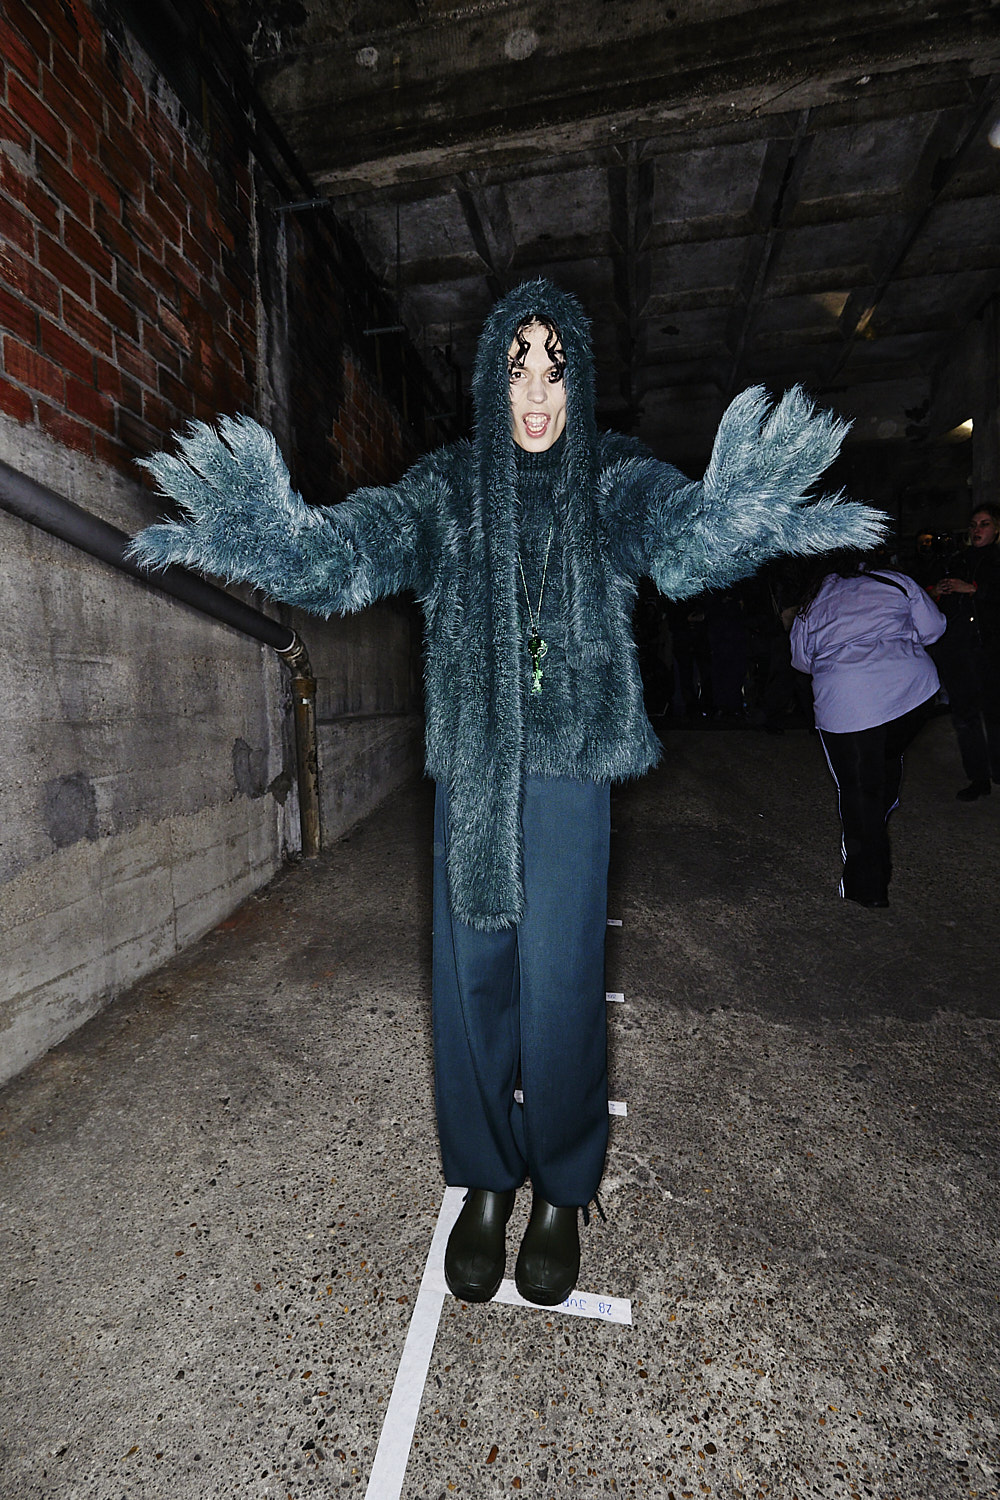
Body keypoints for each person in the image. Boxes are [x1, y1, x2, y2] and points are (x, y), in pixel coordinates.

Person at [129, 279, 883, 1306]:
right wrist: (273, 532)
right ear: (492, 379)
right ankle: (485, 1178)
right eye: (516, 368)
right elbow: (353, 550)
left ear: (579, 380)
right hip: (474, 773)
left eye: (555, 370)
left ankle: (564, 1188)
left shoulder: (609, 475)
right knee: (469, 983)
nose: (536, 392)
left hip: (568, 773)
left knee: (561, 988)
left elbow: (678, 537)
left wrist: (733, 511)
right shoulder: (447, 487)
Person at [790, 552, 945, 907]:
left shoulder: (815, 597)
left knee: (858, 790)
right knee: (886, 755)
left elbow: (800, 659)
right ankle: (879, 810)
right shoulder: (895, 580)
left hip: (850, 701)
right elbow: (934, 628)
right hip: (913, 695)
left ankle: (867, 887)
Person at [925, 505, 1000, 800]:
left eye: (984, 524)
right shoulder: (957, 561)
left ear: (996, 529)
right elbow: (930, 596)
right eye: (973, 524)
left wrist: (972, 590)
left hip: (991, 649)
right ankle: (978, 778)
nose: (977, 529)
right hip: (958, 649)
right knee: (965, 717)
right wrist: (937, 591)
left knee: (994, 714)